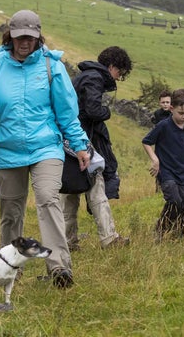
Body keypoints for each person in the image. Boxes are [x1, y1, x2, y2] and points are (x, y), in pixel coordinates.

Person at [0, 9, 89, 288]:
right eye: (20, 36)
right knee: (11, 211)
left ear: (38, 37)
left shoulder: (51, 66)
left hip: (46, 147)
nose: (25, 42)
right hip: (7, 150)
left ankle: (59, 267)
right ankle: (8, 268)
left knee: (48, 199)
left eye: (31, 37)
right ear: (10, 35)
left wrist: (80, 146)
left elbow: (67, 113)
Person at [63, 46, 132, 250]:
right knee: (96, 185)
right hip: (81, 140)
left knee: (70, 189)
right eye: (119, 72)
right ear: (111, 66)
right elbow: (93, 110)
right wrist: (106, 112)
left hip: (67, 141)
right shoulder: (95, 78)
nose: (118, 78)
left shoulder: (84, 75)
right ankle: (109, 238)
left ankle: (68, 241)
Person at [142, 88, 184, 240]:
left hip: (183, 173)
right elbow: (146, 142)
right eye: (181, 113)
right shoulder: (164, 125)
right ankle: (160, 231)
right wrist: (155, 160)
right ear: (171, 109)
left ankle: (180, 235)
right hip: (166, 172)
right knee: (174, 201)